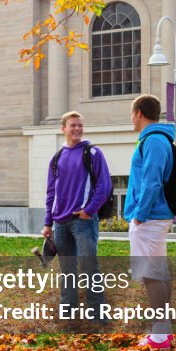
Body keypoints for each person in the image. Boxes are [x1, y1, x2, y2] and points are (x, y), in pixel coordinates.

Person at [41, 111, 113, 327]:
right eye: (73, 125)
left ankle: (97, 316)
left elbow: (105, 185)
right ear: (63, 128)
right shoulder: (56, 158)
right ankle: (68, 315)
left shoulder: (93, 153)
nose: (77, 129)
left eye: (80, 125)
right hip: (60, 223)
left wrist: (89, 210)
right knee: (67, 271)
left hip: (83, 222)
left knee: (89, 268)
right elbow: (51, 191)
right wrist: (47, 222)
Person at [124, 95, 176, 349]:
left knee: (151, 275)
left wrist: (139, 215)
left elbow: (152, 181)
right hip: (154, 216)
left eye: (132, 113)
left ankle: (159, 335)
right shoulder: (155, 139)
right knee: (158, 273)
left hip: (150, 217)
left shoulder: (154, 140)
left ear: (140, 113)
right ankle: (163, 331)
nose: (131, 118)